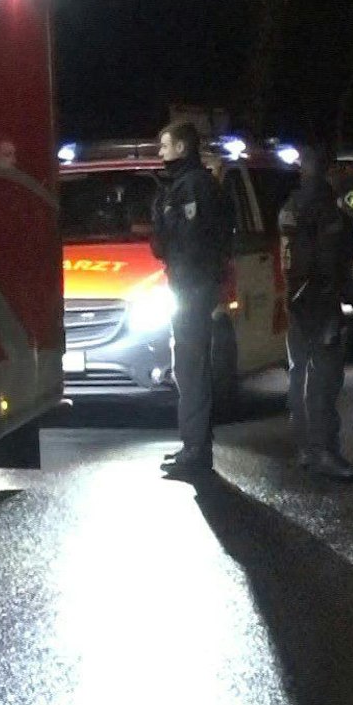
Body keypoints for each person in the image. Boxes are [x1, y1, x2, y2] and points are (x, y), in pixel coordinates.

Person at [278, 142, 353, 482]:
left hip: (296, 303)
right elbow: (335, 267)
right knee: (325, 379)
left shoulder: (291, 205)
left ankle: (304, 448)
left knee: (299, 375)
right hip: (320, 303)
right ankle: (325, 452)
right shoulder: (329, 212)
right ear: (326, 169)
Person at [149, 120, 234, 477]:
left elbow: (184, 242)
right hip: (191, 287)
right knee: (188, 368)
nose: (161, 153)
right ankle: (193, 446)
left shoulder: (192, 188)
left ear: (182, 148)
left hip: (191, 289)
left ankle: (196, 451)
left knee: (191, 368)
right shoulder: (188, 186)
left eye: (165, 147)